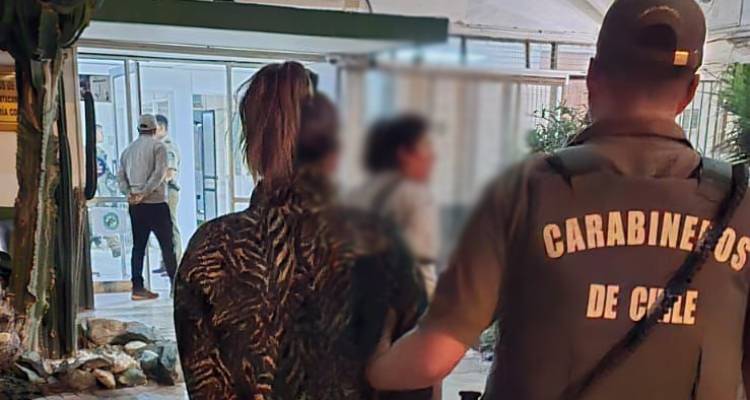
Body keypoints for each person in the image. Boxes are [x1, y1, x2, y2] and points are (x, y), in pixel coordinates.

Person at [367, 1, 750, 399]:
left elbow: (433, 356)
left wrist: (372, 365)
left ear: (593, 76)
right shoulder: (740, 204)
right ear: (691, 91)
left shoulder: (524, 190)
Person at [174, 62, 431, 400]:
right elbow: (415, 376)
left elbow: (204, 386)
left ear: (251, 141)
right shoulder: (381, 242)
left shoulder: (211, 249)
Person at [348, 115, 440, 295]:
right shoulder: (416, 195)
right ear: (404, 153)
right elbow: (423, 270)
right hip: (398, 304)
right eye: (426, 146)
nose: (433, 157)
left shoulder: (356, 194)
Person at [117, 114, 178, 301]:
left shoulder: (127, 151)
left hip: (136, 206)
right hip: (156, 204)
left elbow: (120, 177)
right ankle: (176, 287)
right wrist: (144, 192)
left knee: (138, 247)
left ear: (138, 129)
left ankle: (137, 288)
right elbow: (159, 174)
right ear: (154, 129)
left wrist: (131, 193)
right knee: (167, 247)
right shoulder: (159, 147)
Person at [153, 114, 181, 275]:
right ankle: (165, 262)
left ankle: (175, 263)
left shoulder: (167, 147)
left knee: (170, 226)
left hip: (168, 191)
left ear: (162, 128)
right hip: (160, 192)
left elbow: (169, 174)